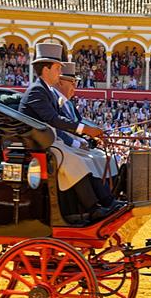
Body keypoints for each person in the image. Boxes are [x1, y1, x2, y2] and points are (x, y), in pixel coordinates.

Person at [18, 43, 119, 224]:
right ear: (46, 69)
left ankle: (107, 201)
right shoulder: (36, 91)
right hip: (39, 146)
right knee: (77, 160)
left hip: (50, 142)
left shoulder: (46, 90)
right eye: (57, 68)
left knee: (89, 159)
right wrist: (86, 130)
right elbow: (54, 120)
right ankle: (92, 208)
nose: (59, 72)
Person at [54, 61, 121, 204]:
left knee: (107, 157)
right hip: (65, 146)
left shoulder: (69, 104)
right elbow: (58, 127)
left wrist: (94, 137)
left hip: (74, 145)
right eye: (72, 82)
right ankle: (98, 203)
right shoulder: (55, 100)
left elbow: (80, 125)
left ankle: (112, 196)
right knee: (92, 159)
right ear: (60, 82)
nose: (75, 87)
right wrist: (79, 142)